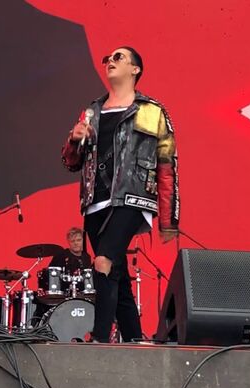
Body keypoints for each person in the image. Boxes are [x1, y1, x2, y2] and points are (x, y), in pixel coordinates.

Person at [61, 46, 180, 343]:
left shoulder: (152, 111)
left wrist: (169, 220)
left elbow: (167, 165)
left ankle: (99, 338)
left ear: (135, 70)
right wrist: (74, 140)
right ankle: (134, 340)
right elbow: (71, 163)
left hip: (132, 198)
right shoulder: (92, 111)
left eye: (118, 58)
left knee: (103, 262)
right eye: (108, 59)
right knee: (118, 277)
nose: (110, 62)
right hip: (94, 202)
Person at [34, 227, 93, 320]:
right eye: (73, 241)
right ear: (68, 242)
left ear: (82, 240)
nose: (76, 243)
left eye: (78, 240)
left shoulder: (87, 257)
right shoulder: (61, 255)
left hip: (82, 293)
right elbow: (50, 275)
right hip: (63, 293)